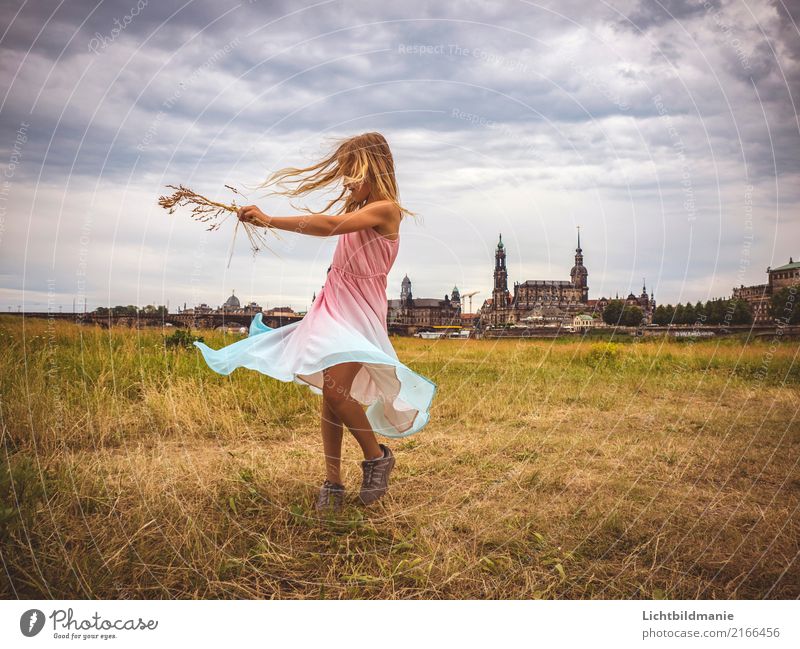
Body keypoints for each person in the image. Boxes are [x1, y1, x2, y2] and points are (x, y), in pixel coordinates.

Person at [193, 132, 437, 514]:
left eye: (351, 174)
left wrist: (269, 219)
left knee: (337, 393)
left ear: (372, 170)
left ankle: (376, 458)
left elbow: (326, 225)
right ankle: (333, 483)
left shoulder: (385, 210)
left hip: (358, 312)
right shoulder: (360, 210)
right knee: (330, 393)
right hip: (332, 305)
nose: (346, 183)